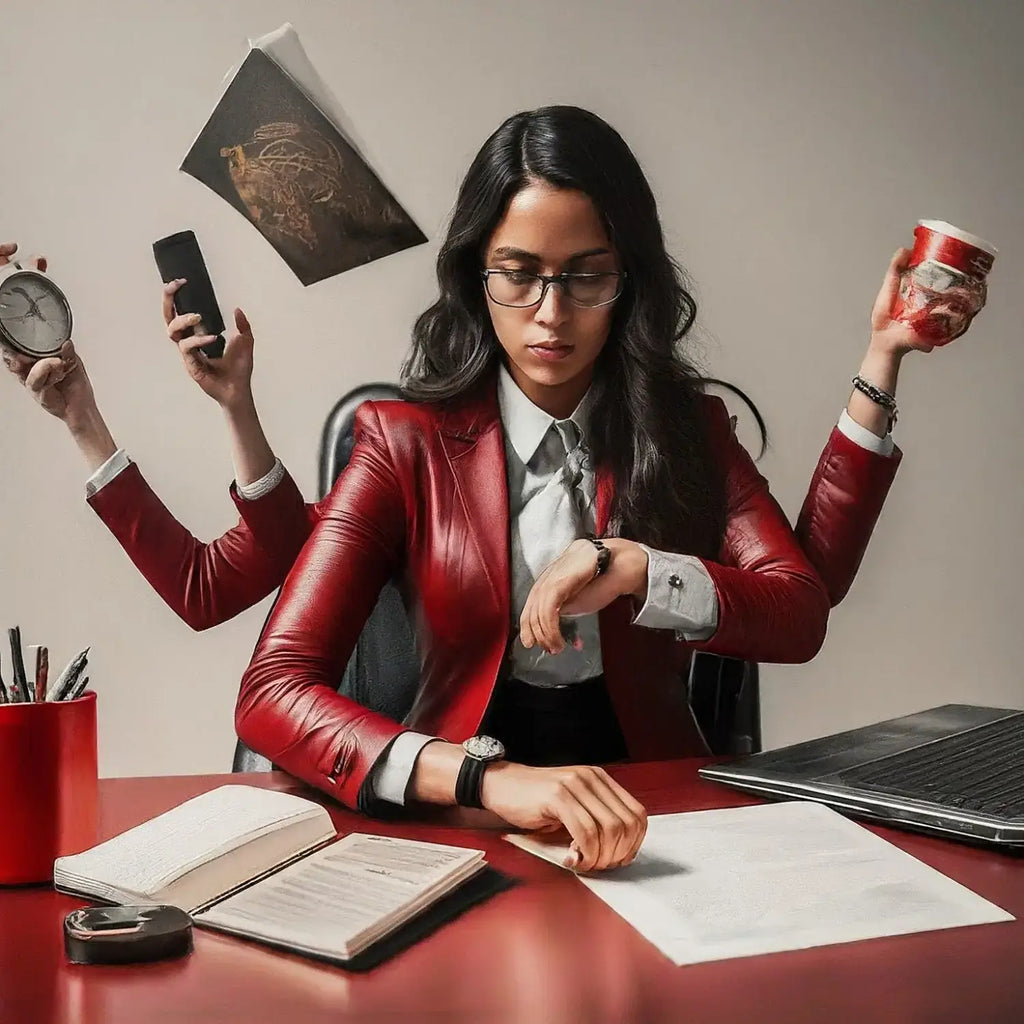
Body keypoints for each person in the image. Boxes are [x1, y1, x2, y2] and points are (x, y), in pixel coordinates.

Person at [2, 107, 946, 870]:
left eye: (586, 278)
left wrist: (633, 567)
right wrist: (482, 778)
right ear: (475, 276)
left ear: (630, 280)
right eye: (518, 275)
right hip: (457, 815)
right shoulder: (400, 446)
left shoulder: (685, 431)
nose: (550, 313)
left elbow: (800, 610)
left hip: (658, 817)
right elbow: (272, 689)